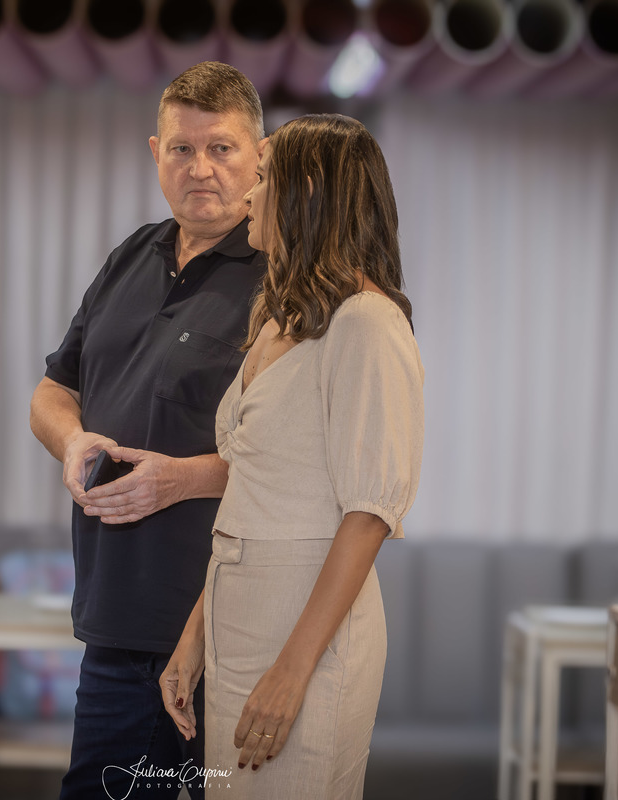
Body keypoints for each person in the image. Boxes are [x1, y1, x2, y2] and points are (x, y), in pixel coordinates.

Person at [158, 114, 424, 800]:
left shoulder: (367, 322)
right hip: (241, 615)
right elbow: (253, 493)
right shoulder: (283, 318)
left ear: (306, 190)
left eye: (265, 176)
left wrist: (292, 671)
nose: (249, 192)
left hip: (304, 629)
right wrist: (196, 636)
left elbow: (369, 514)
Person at [30, 62, 267, 799]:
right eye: (183, 149)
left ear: (260, 154)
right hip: (115, 615)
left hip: (222, 624)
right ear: (156, 153)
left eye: (222, 148)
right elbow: (53, 390)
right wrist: (71, 440)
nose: (201, 168)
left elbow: (304, 461)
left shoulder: (285, 275)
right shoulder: (132, 255)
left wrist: (184, 478)